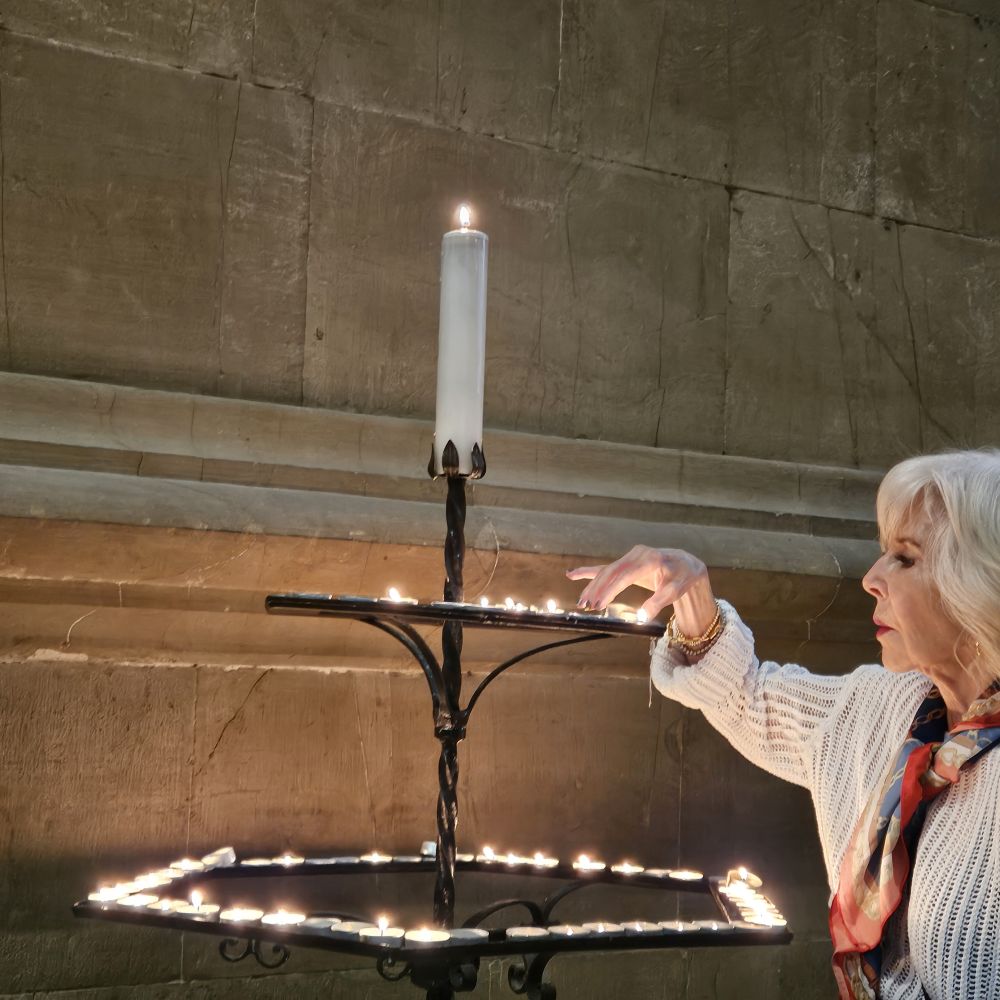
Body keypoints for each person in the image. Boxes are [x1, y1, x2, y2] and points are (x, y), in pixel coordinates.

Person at [567, 449, 1000, 1000]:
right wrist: (694, 598)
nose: (871, 579)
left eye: (905, 559)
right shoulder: (884, 706)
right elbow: (746, 695)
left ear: (980, 587)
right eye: (882, 553)